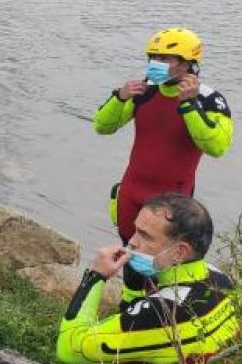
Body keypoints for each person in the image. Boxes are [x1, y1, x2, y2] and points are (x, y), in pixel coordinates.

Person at [56, 194, 240, 364]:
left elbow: (68, 347)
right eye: (135, 230)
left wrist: (95, 276)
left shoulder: (165, 312)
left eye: (145, 236)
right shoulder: (220, 279)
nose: (131, 242)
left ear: (179, 252)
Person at [94, 28, 233, 244]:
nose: (155, 63)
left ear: (187, 63)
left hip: (172, 200)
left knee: (162, 261)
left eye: (164, 58)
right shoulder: (145, 90)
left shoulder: (208, 99)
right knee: (128, 257)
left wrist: (189, 104)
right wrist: (119, 98)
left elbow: (217, 147)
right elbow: (102, 127)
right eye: (153, 57)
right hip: (131, 190)